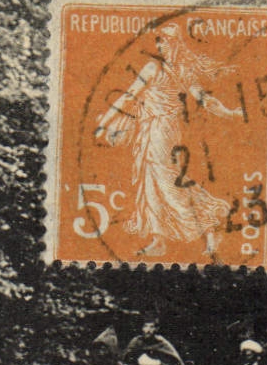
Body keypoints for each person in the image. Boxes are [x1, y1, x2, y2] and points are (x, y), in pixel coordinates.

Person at [95, 24, 244, 257]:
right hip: (148, 129)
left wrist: (231, 113)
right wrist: (106, 121)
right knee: (150, 181)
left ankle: (211, 220)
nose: (159, 45)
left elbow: (205, 100)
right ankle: (159, 240)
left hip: (162, 130)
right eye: (158, 41)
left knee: (166, 180)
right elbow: (129, 95)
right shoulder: (157, 67)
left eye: (163, 41)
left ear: (174, 43)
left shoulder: (168, 69)